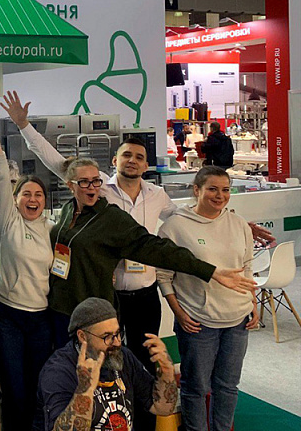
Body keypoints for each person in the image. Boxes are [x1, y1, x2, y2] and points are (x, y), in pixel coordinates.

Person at [46, 154, 255, 349]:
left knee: (93, 368)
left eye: (95, 181)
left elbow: (157, 249)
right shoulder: (68, 210)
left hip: (92, 312)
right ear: (70, 185)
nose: (91, 187)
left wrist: (210, 271)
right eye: (84, 182)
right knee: (62, 366)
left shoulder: (111, 218)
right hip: (60, 308)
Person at [0, 108, 53, 431]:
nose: (32, 199)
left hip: (41, 320)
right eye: (26, 194)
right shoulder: (7, 222)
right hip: (8, 318)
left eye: (38, 195)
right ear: (15, 200)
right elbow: (2, 180)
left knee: (38, 389)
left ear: (44, 201)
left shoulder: (53, 229)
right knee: (15, 391)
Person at [157, 167, 259, 431]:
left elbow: (247, 267)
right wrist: (179, 313)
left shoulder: (239, 224)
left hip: (237, 320)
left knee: (228, 385)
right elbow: (164, 276)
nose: (220, 196)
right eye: (212, 189)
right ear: (196, 190)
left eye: (225, 190)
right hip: (198, 323)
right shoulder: (174, 227)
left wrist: (253, 303)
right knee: (196, 387)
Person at [39, 298, 179, 431]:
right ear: (82, 336)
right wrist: (85, 389)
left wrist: (167, 371)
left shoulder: (122, 356)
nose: (117, 342)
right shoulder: (58, 371)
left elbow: (162, 408)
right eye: (107, 337)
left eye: (118, 334)